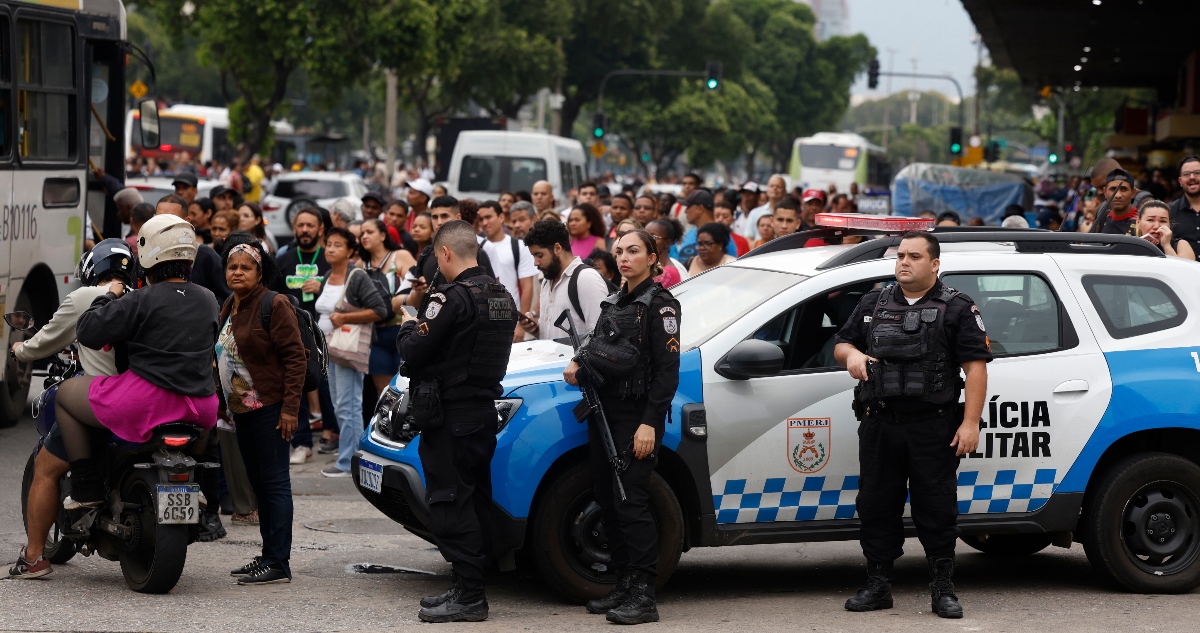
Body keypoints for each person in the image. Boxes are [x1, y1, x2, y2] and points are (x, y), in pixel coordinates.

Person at [833, 231, 991, 619]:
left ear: (934, 264)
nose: (904, 262)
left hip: (932, 426)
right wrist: (851, 355)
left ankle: (942, 589)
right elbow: (840, 344)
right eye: (901, 255)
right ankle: (878, 586)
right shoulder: (874, 301)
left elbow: (975, 369)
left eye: (914, 256)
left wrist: (970, 424)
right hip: (879, 423)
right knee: (876, 505)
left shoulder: (957, 307)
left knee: (936, 508)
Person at [396, 220, 517, 623]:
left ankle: (470, 596)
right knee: (474, 500)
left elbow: (414, 351)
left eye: (437, 258)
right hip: (481, 413)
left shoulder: (450, 298)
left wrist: (408, 324)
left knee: (451, 503)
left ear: (445, 253)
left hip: (451, 415)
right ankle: (467, 584)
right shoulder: (501, 294)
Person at [56, 215, 222, 509]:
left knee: (64, 395)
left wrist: (109, 295)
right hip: (202, 406)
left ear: (147, 256)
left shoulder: (141, 298)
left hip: (146, 402)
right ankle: (194, 482)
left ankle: (86, 487)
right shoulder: (208, 298)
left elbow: (88, 331)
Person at [565, 229, 680, 625]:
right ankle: (624, 583)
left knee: (631, 501)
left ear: (652, 256)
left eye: (633, 251)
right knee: (606, 496)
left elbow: (667, 374)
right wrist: (579, 363)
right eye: (619, 251)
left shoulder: (661, 305)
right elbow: (595, 343)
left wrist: (649, 424)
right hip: (604, 412)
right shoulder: (614, 301)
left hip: (636, 416)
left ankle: (644, 595)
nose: (624, 258)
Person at [7, 240, 136, 579]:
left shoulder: (84, 298)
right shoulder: (144, 297)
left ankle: (34, 557)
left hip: (99, 399)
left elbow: (48, 339)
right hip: (144, 398)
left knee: (45, 467)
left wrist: (19, 351)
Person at [217, 236, 308, 585]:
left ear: (260, 272)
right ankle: (268, 554)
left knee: (274, 484)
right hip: (241, 411)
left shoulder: (274, 303)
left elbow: (295, 358)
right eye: (232, 266)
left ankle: (278, 561)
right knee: (258, 484)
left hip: (270, 408)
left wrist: (290, 409)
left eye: (246, 267)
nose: (237, 272)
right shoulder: (231, 303)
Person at [310, 227, 387, 478]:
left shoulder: (357, 277)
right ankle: (349, 457)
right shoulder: (327, 275)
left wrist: (344, 316)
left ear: (351, 251)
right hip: (328, 349)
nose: (330, 249)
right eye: (328, 244)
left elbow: (379, 310)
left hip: (347, 348)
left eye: (337, 245)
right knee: (339, 404)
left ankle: (350, 462)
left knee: (348, 405)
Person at [271, 207, 338, 461]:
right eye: (301, 225)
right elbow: (272, 295)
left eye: (310, 225)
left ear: (320, 229)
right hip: (292, 334)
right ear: (294, 228)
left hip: (324, 335)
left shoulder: (329, 258)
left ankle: (335, 432)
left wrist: (322, 286)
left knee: (325, 386)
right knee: (294, 388)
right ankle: (301, 443)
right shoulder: (285, 259)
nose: (305, 230)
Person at [521, 218, 609, 340]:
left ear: (557, 248)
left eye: (539, 255)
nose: (535, 263)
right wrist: (535, 330)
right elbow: (551, 336)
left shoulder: (586, 279)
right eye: (533, 256)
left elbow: (601, 337)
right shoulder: (547, 280)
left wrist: (577, 359)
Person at [360, 218, 417, 396]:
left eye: (369, 232)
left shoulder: (401, 256)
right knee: (384, 391)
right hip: (375, 334)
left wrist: (414, 327)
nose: (364, 236)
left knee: (407, 387)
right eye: (362, 233)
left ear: (383, 235)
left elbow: (416, 292)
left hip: (401, 330)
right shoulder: (362, 265)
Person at [407, 196, 495, 309]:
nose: (439, 222)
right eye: (434, 217)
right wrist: (418, 293)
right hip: (431, 324)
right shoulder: (425, 254)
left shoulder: (475, 252)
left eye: (444, 216)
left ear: (458, 218)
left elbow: (493, 297)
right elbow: (411, 305)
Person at [477, 201, 536, 342]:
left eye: (488, 217)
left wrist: (521, 325)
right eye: (480, 219)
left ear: (501, 217)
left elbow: (527, 287)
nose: (484, 222)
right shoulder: (476, 247)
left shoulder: (518, 246)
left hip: (510, 319)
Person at [157, 194, 230, 304]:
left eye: (172, 219)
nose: (164, 224)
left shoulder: (206, 257)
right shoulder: (146, 256)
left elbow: (226, 299)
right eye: (159, 219)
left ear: (187, 221)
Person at [1169, 155, 1200, 257]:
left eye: (1197, 173)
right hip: (1185, 272)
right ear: (1180, 181)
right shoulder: (1169, 211)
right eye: (1186, 174)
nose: (1192, 177)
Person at [645, 219, 689, 288]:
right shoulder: (649, 266)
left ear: (667, 243)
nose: (646, 240)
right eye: (644, 236)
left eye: (653, 237)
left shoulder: (668, 274)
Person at [1097, 169, 1139, 236]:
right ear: (1105, 192)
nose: (1118, 195)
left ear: (1133, 193)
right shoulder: (1103, 217)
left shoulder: (1140, 221)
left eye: (1123, 189)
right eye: (1113, 189)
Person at [746, 174, 787, 240]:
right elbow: (748, 238)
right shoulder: (754, 213)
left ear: (785, 191)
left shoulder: (789, 214)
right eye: (772, 186)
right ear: (767, 190)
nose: (775, 188)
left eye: (778, 186)